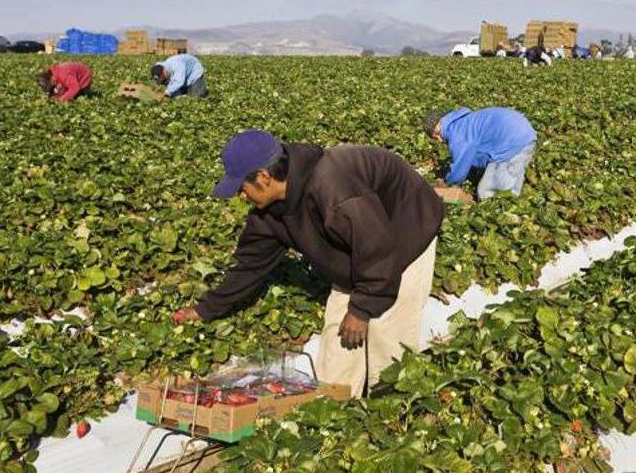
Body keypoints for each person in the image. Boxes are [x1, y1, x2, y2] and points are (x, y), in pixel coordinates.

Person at [172, 130, 444, 398]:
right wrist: (205, 308)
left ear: (263, 176)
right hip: (361, 241)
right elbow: (250, 265)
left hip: (405, 231)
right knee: (340, 339)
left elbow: (379, 250)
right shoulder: (270, 212)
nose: (240, 196)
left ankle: (391, 407)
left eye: (241, 187)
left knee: (387, 334)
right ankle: (337, 405)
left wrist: (361, 310)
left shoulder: (334, 188)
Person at [423, 107, 537, 200]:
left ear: (437, 128)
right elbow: (477, 153)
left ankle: (500, 216)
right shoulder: (463, 121)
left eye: (436, 136)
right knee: (512, 179)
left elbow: (460, 168)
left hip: (510, 142)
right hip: (526, 136)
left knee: (487, 193)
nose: (440, 140)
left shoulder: (456, 132)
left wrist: (448, 183)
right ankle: (513, 206)